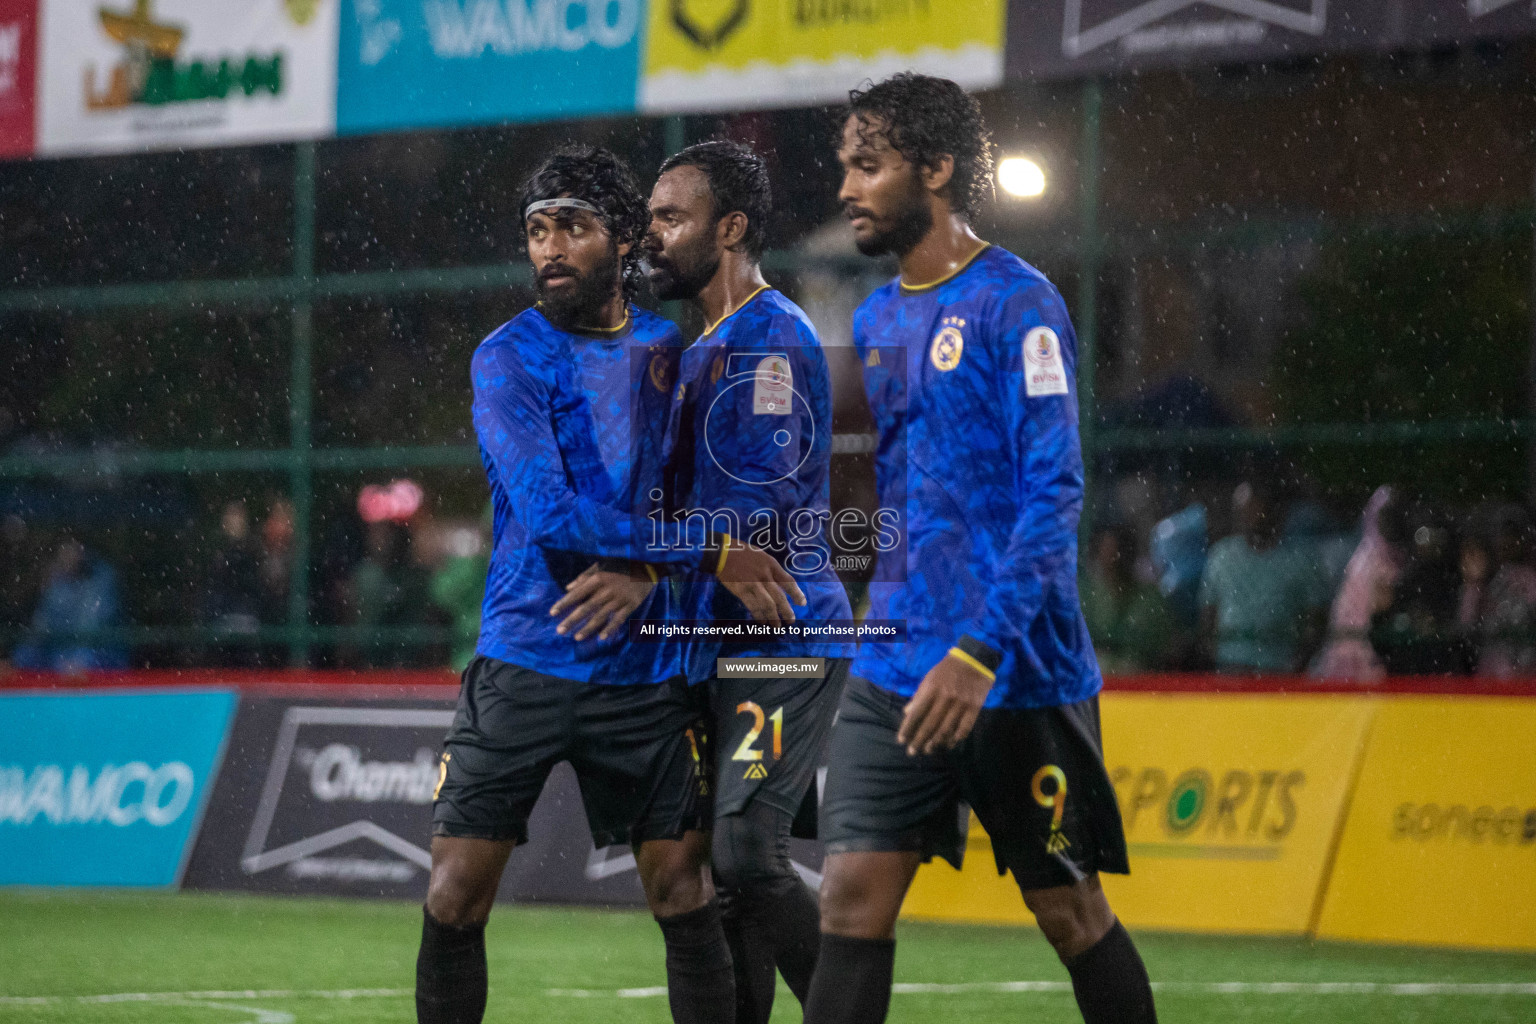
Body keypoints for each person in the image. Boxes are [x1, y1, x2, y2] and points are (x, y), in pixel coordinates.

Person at [417, 145, 802, 1024]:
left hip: (645, 670)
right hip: (525, 654)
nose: (551, 248)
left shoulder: (674, 351)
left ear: (624, 239)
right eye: (537, 230)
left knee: (683, 890)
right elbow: (551, 517)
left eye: (573, 227)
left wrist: (650, 566)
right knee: (454, 893)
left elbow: (720, 488)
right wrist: (702, 554)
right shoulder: (507, 358)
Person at [803, 74, 1157, 1024]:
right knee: (849, 899)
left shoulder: (1019, 305)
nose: (847, 186)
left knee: (1069, 911)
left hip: (1016, 671)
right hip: (895, 665)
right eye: (844, 164)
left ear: (937, 168)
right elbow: (895, 495)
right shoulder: (877, 318)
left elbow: (1056, 498)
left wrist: (980, 648)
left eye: (868, 165)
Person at [558, 139, 853, 1024]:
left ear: (729, 229)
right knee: (717, 883)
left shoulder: (771, 341)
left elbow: (755, 513)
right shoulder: (693, 354)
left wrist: (650, 557)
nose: (649, 234)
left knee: (748, 855)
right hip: (708, 644)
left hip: (781, 638)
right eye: (648, 216)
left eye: (670, 217)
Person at [1198, 480, 1329, 673]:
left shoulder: (1302, 558)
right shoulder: (1221, 555)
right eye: (1243, 510)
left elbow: (1316, 620)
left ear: (1276, 511)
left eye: (1257, 508)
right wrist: (1216, 656)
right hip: (1230, 669)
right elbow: (1207, 616)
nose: (1250, 517)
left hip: (1280, 672)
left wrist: (1297, 665)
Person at [12, 536, 128, 673]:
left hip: (99, 655)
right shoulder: (56, 585)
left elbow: (92, 626)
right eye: (64, 552)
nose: (68, 557)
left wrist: (77, 662)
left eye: (74, 551)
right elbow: (41, 625)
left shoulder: (102, 580)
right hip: (58, 656)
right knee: (26, 656)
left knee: (87, 659)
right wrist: (17, 661)